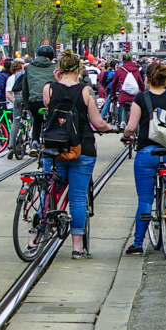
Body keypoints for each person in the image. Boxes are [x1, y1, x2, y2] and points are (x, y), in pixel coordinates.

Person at [40, 49, 116, 257]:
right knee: (79, 197)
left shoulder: (49, 88)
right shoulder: (85, 91)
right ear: (79, 69)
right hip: (81, 148)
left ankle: (36, 236)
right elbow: (97, 123)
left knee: (49, 191)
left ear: (60, 69)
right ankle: (77, 247)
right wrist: (110, 128)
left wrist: (56, 80)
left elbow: (49, 106)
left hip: (54, 148)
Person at [121, 60, 166, 255]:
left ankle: (138, 244)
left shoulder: (140, 98)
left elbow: (132, 127)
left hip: (147, 153)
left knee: (145, 200)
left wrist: (126, 136)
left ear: (147, 80)